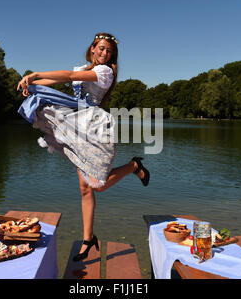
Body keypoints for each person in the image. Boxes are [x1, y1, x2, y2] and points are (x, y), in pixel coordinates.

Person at [17, 32, 150, 261]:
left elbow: (68, 75)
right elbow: (62, 81)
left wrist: (36, 73)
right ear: (92, 48)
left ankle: (132, 166)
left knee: (97, 185)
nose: (104, 53)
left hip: (95, 128)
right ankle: (88, 239)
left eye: (109, 51)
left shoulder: (104, 72)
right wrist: (31, 84)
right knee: (85, 189)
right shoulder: (85, 68)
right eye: (100, 48)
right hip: (78, 124)